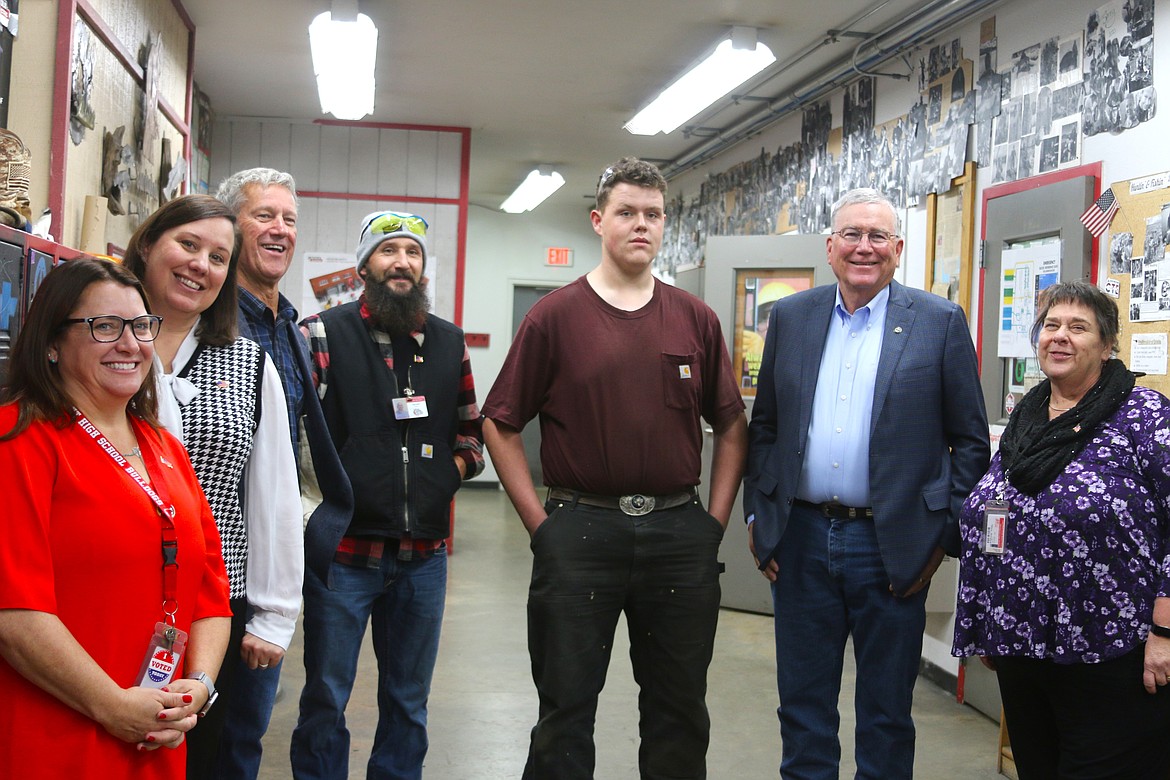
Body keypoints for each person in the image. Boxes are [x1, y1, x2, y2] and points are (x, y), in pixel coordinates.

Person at [482, 157, 748, 780]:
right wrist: (540, 527)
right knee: (565, 711)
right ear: (599, 221)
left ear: (664, 225)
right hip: (580, 532)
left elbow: (732, 424)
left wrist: (711, 523)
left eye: (653, 215)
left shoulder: (694, 319)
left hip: (679, 534)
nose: (641, 225)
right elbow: (498, 421)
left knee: (679, 711)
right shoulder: (555, 316)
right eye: (627, 213)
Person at [744, 187, 990, 779]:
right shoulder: (793, 318)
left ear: (898, 249)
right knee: (803, 710)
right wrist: (760, 518)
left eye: (878, 236)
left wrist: (940, 542)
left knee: (885, 715)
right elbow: (768, 427)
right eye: (852, 234)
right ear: (830, 246)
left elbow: (972, 443)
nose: (864, 247)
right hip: (799, 541)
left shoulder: (938, 323)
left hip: (893, 548)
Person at [0, 258, 232, 777]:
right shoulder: (18, 441)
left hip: (155, 734)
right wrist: (111, 705)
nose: (130, 344)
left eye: (141, 325)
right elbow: (14, 614)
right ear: (52, 343)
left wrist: (198, 687)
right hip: (58, 735)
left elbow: (210, 592)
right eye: (103, 327)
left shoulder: (165, 447)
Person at [291, 209, 485, 780]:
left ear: (424, 268)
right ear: (365, 265)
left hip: (423, 559)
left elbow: (471, 434)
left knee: (408, 701)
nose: (402, 261)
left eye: (413, 253)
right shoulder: (321, 334)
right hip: (345, 557)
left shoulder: (450, 343)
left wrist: (444, 475)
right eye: (388, 250)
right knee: (327, 696)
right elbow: (294, 434)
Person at [953, 280, 1170, 778]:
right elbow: (992, 518)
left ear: (1107, 344)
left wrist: (1165, 630)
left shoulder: (1143, 416)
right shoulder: (1027, 417)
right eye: (1051, 325)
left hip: (1113, 651)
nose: (1060, 337)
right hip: (1023, 649)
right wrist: (989, 617)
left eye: (1078, 327)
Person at [121, 194, 304, 779]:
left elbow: (274, 493)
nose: (202, 265)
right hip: (110, 590)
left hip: (209, 609)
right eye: (189, 245)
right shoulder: (105, 348)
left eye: (219, 257)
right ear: (148, 245)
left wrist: (273, 613)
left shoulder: (248, 363)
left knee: (205, 757)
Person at [213, 168, 353, 779]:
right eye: (263, 216)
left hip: (268, 561)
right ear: (231, 227)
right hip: (213, 560)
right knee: (205, 729)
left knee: (245, 729)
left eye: (289, 219)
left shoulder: (290, 326)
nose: (279, 229)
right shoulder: (209, 323)